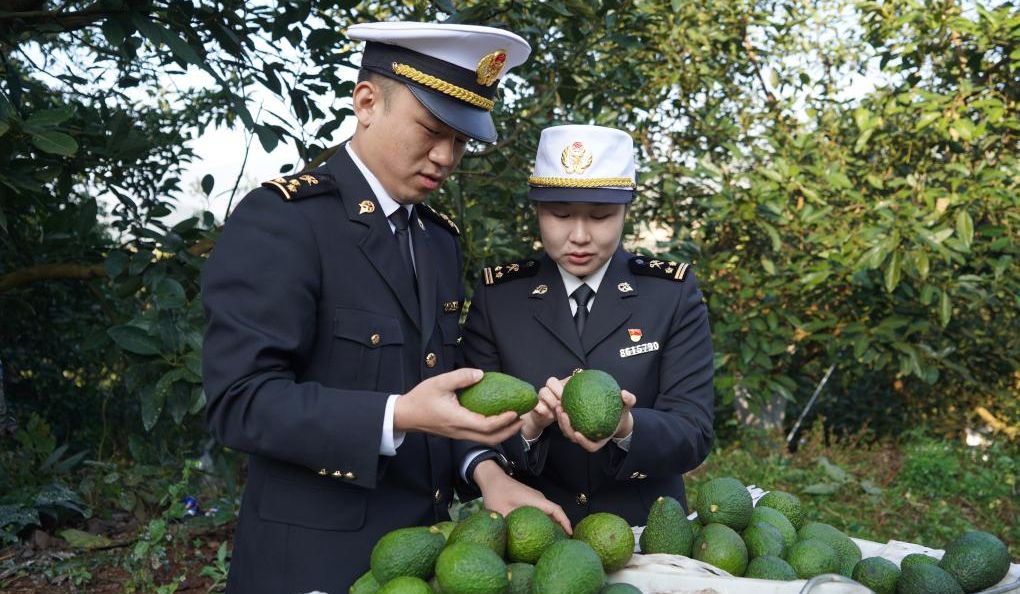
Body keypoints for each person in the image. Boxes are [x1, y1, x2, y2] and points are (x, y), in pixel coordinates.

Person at [202, 22, 563, 594]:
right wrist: (397, 415)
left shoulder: (438, 241)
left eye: (461, 140)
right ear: (367, 103)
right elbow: (240, 401)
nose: (446, 156)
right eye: (431, 130)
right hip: (311, 565)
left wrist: (485, 471)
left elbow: (442, 393)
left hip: (422, 560)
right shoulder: (286, 221)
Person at [461, 124, 715, 526]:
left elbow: (694, 431)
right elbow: (467, 426)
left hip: (648, 531)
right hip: (531, 528)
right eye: (560, 214)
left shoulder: (669, 294)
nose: (579, 236)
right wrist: (529, 426)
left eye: (600, 216)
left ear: (626, 211)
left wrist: (626, 426)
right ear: (537, 210)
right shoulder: (500, 298)